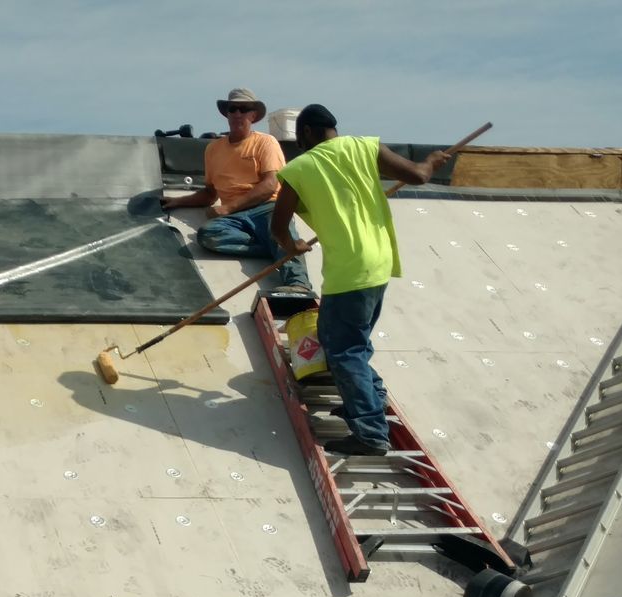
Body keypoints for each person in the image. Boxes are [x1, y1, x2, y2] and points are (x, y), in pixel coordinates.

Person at [271, 104, 452, 457]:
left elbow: (278, 227)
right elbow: (418, 175)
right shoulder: (365, 146)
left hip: (348, 271)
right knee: (349, 339)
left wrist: (293, 245)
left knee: (343, 349)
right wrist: (431, 160)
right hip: (380, 263)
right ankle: (370, 397)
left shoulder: (298, 168)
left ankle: (370, 431)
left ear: (307, 132)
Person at [160, 88, 311, 291]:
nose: (238, 114)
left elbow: (270, 185)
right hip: (234, 219)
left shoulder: (266, 142)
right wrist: (177, 201)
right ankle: (274, 245)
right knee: (208, 234)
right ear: (227, 114)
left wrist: (228, 208)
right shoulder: (213, 149)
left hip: (267, 207)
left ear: (253, 115)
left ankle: (299, 283)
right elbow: (209, 194)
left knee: (279, 228)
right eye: (233, 109)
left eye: (244, 109)